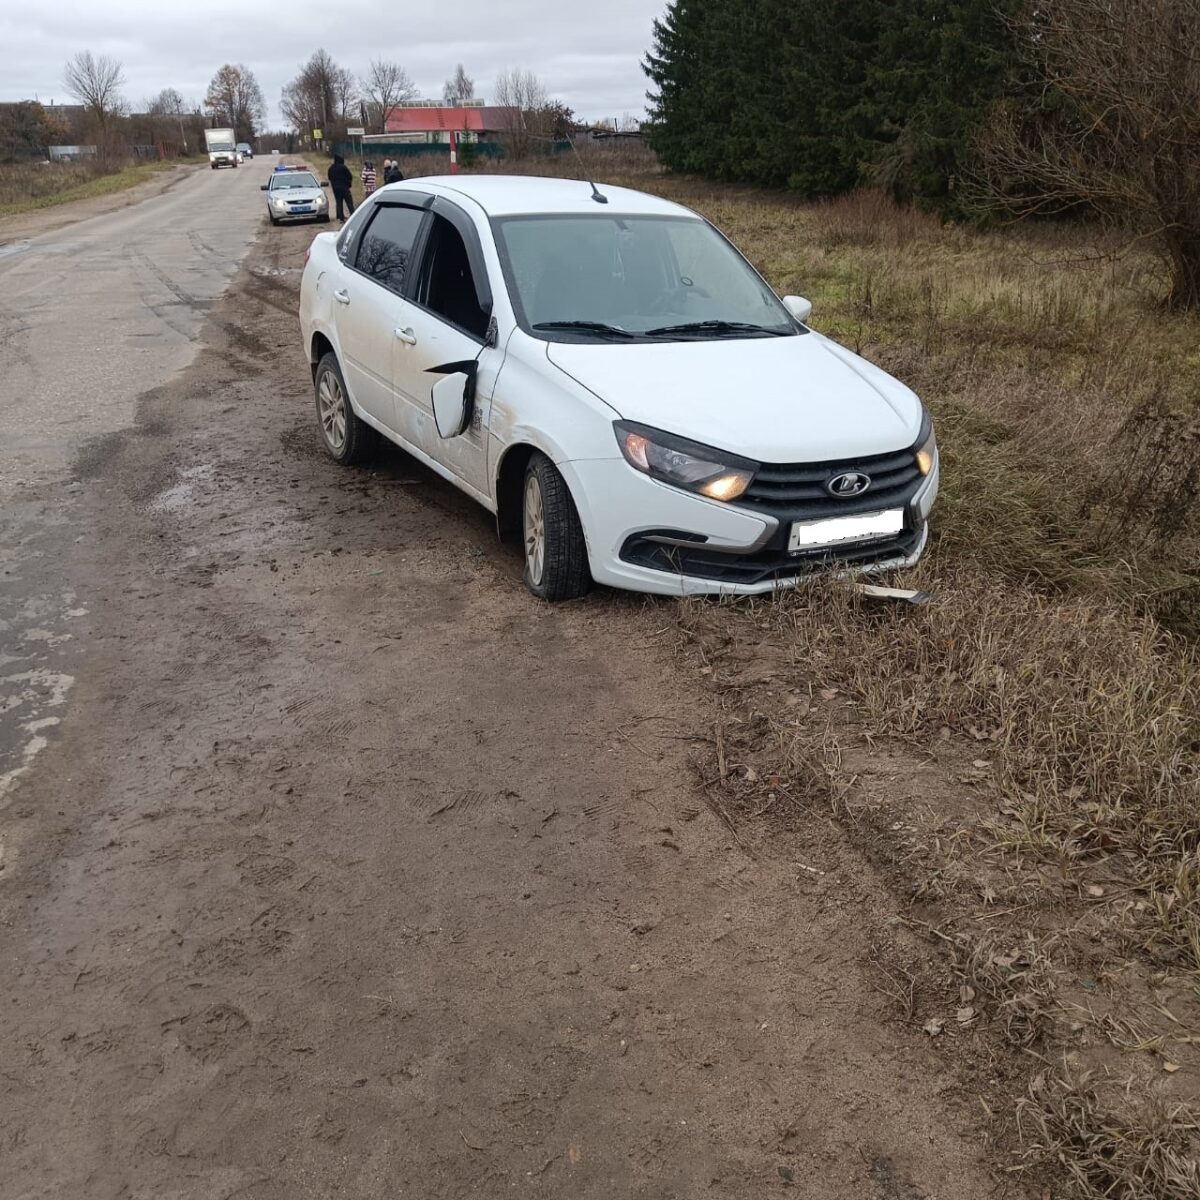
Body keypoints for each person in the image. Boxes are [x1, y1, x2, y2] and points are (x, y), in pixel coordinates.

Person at [327, 155, 354, 221]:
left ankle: (341, 217)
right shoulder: (343, 167)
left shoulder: (331, 168)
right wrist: (348, 183)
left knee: (339, 202)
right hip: (344, 187)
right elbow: (350, 176)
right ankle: (353, 215)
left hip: (335, 188)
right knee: (349, 202)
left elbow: (329, 177)